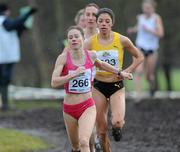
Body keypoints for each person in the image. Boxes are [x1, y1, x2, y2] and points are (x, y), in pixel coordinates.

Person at [51, 26, 133, 152]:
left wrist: (120, 72)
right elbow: (54, 82)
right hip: (69, 108)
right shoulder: (63, 58)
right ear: (68, 41)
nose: (74, 39)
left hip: (87, 106)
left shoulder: (91, 55)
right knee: (75, 147)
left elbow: (102, 65)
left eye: (76, 36)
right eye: (70, 37)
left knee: (84, 142)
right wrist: (72, 75)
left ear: (83, 39)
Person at [84, 8, 144, 151]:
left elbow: (139, 57)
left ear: (112, 23)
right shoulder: (90, 42)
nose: (104, 24)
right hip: (98, 86)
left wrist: (126, 71)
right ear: (97, 24)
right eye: (101, 21)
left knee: (117, 122)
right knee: (102, 130)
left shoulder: (122, 40)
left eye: (107, 21)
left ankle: (117, 129)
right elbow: (79, 58)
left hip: (116, 85)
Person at [0, 3, 37, 111]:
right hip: (5, 57)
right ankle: (5, 104)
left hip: (6, 57)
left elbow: (17, 27)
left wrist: (25, 21)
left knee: (5, 81)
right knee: (4, 80)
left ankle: (5, 104)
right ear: (6, 11)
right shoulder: (3, 20)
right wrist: (27, 14)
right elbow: (14, 24)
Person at [127, 0, 164, 101]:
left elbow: (160, 34)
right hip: (140, 47)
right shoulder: (141, 17)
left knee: (148, 76)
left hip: (152, 49)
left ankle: (152, 85)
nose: (146, 10)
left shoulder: (156, 18)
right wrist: (132, 30)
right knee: (138, 71)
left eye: (148, 8)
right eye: (145, 8)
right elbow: (139, 27)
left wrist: (149, 30)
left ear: (153, 9)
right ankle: (138, 95)